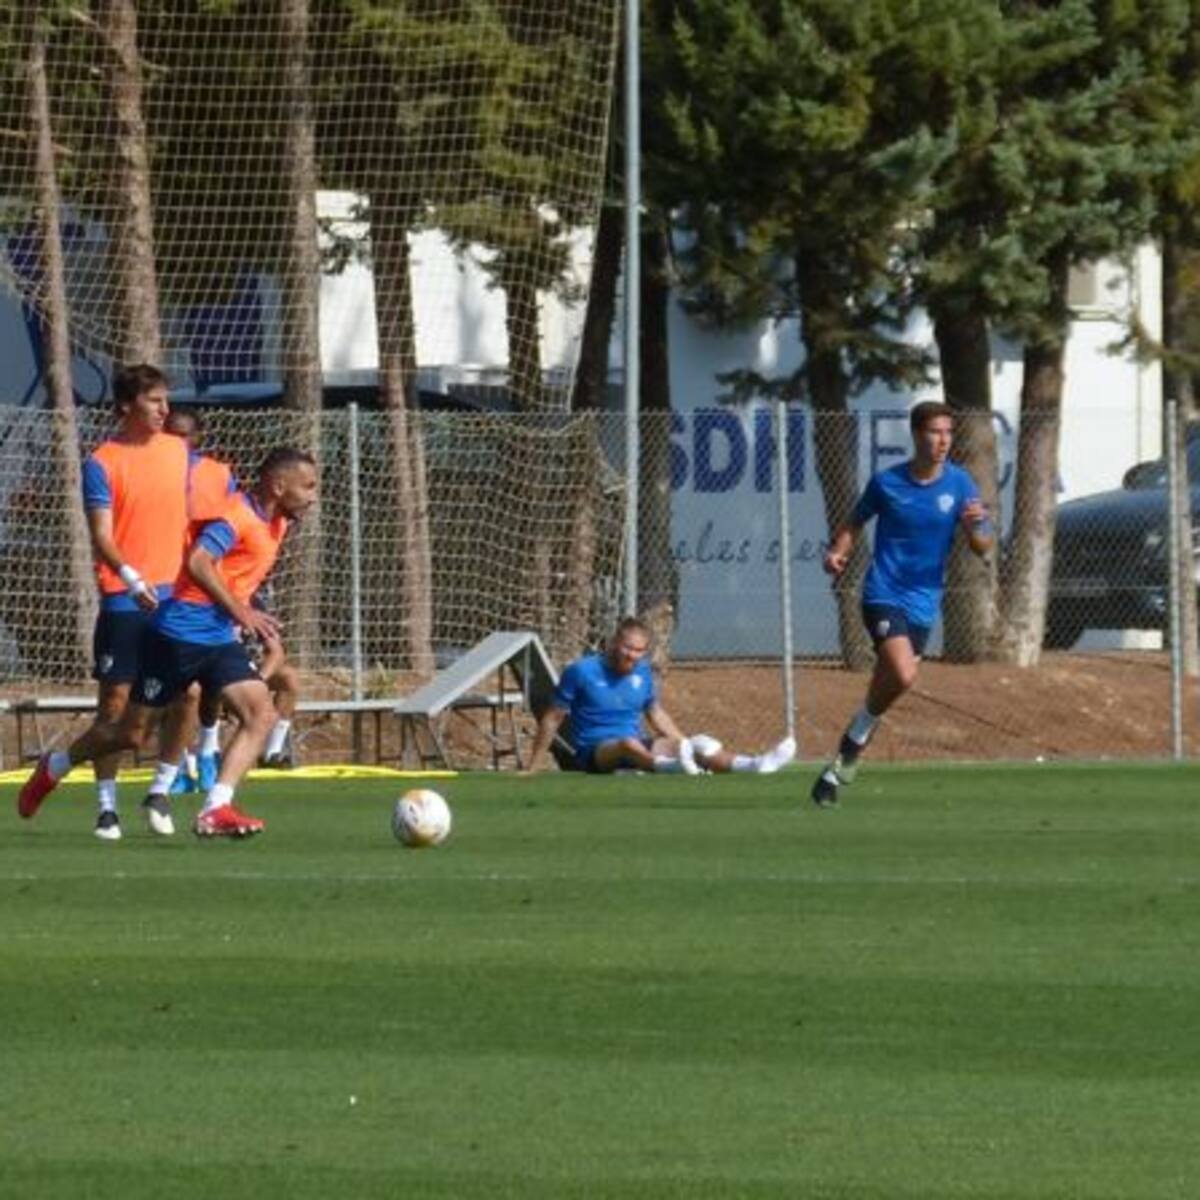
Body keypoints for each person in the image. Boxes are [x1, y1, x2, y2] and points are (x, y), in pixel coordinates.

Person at [18, 447, 319, 838]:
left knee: (260, 713)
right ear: (279, 486)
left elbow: (237, 573)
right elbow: (198, 561)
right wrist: (241, 613)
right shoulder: (236, 516)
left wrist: (248, 614)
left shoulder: (278, 521)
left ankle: (216, 808)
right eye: (308, 486)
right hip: (177, 635)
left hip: (217, 639)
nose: (314, 495)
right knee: (130, 734)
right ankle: (55, 766)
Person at [34, 363, 192, 840]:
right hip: (126, 598)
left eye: (166, 400)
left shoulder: (180, 451)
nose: (165, 409)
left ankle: (161, 790)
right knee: (116, 707)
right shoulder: (101, 461)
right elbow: (101, 534)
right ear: (127, 406)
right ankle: (106, 809)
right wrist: (129, 576)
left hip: (177, 597)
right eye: (154, 401)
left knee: (189, 693)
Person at [810, 400, 993, 809]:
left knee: (887, 687)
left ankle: (843, 758)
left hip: (924, 602)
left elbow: (983, 544)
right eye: (934, 432)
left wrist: (974, 527)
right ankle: (853, 745)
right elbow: (854, 522)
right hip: (883, 593)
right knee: (905, 674)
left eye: (948, 432)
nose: (943, 440)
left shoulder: (961, 484)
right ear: (916, 435)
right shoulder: (887, 483)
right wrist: (837, 551)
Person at [524, 616, 795, 775]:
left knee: (695, 746)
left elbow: (655, 712)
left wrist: (682, 743)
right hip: (594, 752)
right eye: (627, 647)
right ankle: (674, 769)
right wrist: (532, 766)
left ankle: (755, 765)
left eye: (638, 650)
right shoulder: (581, 670)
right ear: (614, 643)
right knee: (628, 744)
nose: (631, 654)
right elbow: (552, 718)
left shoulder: (642, 673)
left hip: (638, 744)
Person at [163, 406, 239, 795]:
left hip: (207, 592)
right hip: (163, 591)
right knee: (178, 688)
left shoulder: (218, 475)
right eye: (168, 434)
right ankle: (177, 766)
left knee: (211, 685)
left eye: (183, 436)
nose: (176, 443)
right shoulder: (154, 473)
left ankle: (208, 751)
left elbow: (231, 531)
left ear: (198, 438)